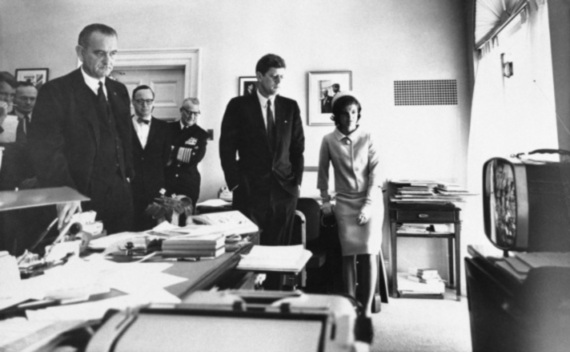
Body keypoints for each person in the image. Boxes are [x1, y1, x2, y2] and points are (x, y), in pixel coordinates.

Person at [28, 23, 134, 234]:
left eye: (113, 53)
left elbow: (125, 140)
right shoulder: (56, 92)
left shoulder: (119, 90)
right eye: (99, 53)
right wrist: (65, 194)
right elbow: (46, 151)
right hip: (77, 198)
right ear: (80, 52)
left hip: (119, 198)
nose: (108, 60)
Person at [220, 53, 305, 247]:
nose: (278, 81)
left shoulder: (290, 107)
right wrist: (234, 184)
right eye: (274, 76)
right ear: (259, 76)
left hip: (284, 192)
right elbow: (226, 148)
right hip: (249, 191)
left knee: (279, 253)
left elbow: (297, 149)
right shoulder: (238, 106)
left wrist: (296, 184)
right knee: (248, 251)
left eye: (281, 77)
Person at [317, 92, 382, 317]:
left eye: (354, 112)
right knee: (348, 255)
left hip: (369, 200)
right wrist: (326, 201)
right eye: (345, 114)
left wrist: (368, 205)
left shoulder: (368, 137)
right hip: (344, 202)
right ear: (337, 117)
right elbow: (323, 174)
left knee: (368, 252)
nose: (350, 117)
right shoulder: (328, 140)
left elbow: (376, 173)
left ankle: (365, 311)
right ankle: (350, 307)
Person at [130, 85, 171, 231]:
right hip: (129, 192)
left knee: (156, 235)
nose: (145, 105)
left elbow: (167, 161)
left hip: (156, 192)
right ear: (133, 102)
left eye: (148, 101)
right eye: (140, 101)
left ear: (153, 102)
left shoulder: (164, 128)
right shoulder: (121, 126)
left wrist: (164, 192)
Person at [165, 97, 209, 209]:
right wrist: (184, 152)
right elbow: (160, 154)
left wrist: (172, 151)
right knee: (166, 219)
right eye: (189, 112)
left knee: (186, 220)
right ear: (181, 110)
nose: (192, 116)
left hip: (188, 183)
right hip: (167, 181)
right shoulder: (167, 128)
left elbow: (196, 158)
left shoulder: (201, 134)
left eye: (196, 113)